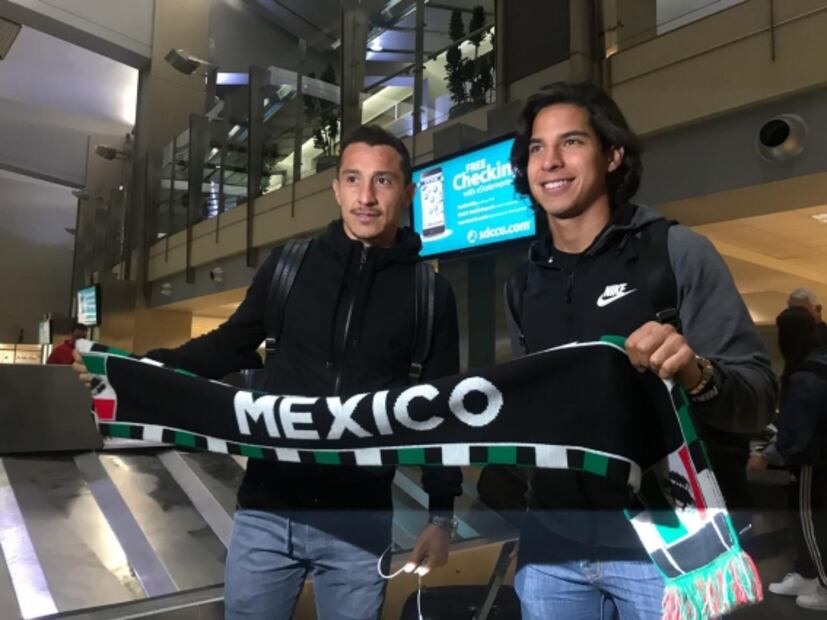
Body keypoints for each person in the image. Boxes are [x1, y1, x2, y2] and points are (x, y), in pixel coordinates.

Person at [75, 125, 462, 619]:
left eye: (382, 181)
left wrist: (441, 516)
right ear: (336, 188)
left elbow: (441, 409)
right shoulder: (289, 266)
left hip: (360, 522)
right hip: (266, 513)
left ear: (406, 192)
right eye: (353, 179)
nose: (365, 197)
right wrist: (136, 368)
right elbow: (227, 346)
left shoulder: (429, 295)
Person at [504, 81, 776, 619]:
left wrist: (696, 374)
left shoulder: (674, 253)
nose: (551, 161)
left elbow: (759, 399)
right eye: (537, 147)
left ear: (612, 155)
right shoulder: (523, 282)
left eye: (572, 142)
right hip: (554, 550)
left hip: (666, 548)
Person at [749, 306, 827, 610]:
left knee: (809, 521)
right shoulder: (818, 364)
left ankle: (822, 583)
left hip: (812, 462)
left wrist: (766, 457)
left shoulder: (805, 375)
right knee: (808, 521)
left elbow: (796, 431)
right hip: (816, 458)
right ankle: (808, 574)